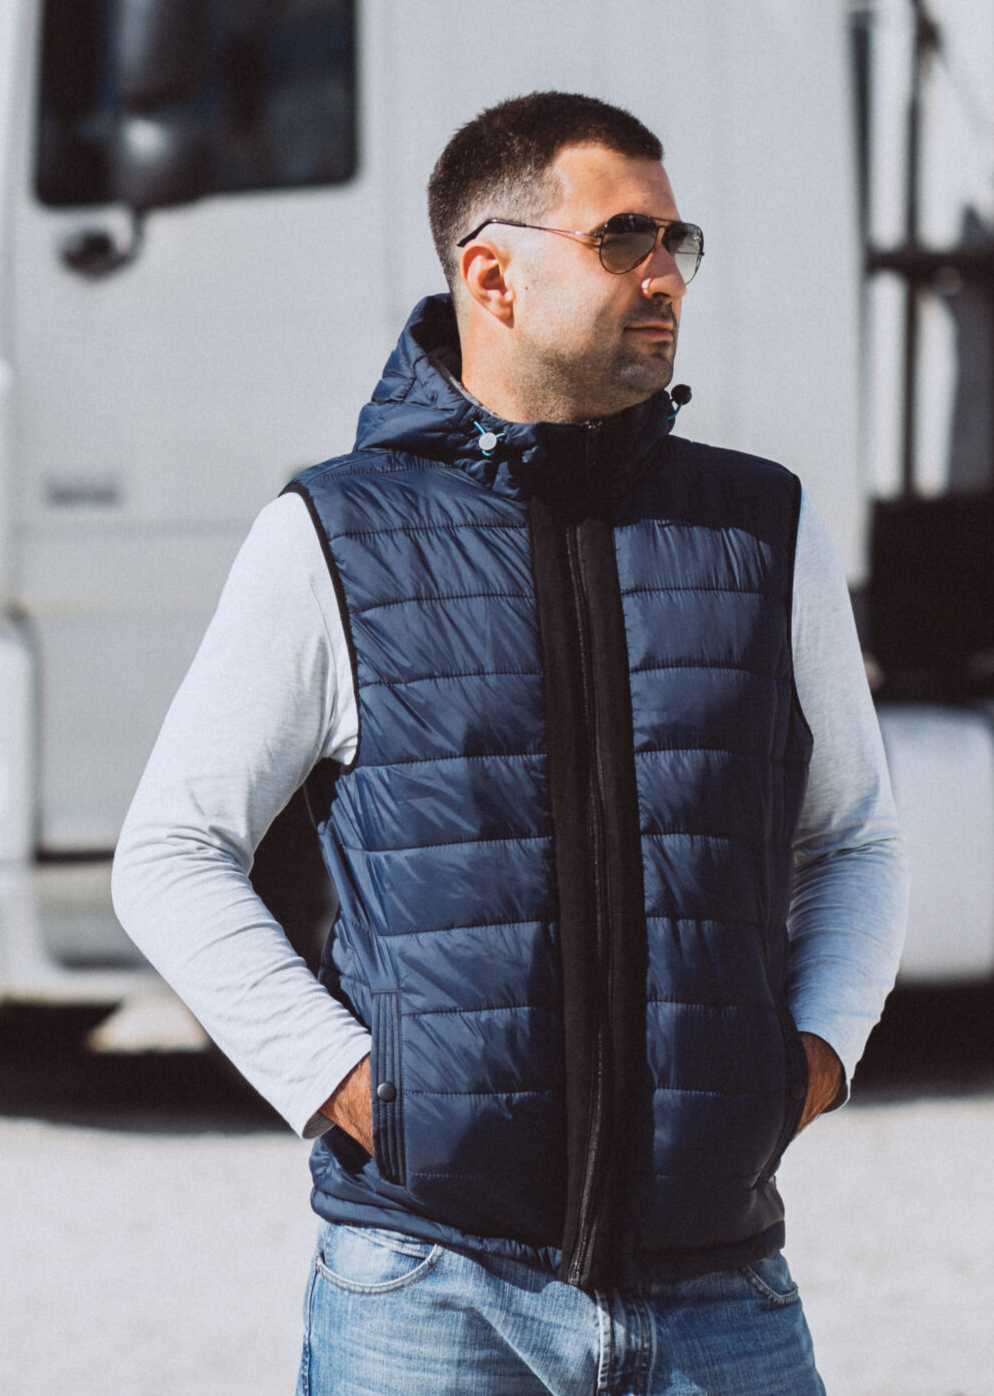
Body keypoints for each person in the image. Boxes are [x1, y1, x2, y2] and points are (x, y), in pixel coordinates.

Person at [112, 91, 907, 1394]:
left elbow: (856, 836)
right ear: (492, 273)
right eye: (623, 240)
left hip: (718, 1285)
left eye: (678, 242)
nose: (666, 277)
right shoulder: (332, 535)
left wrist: (813, 1060)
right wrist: (358, 1088)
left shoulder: (762, 526)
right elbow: (170, 852)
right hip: (432, 1294)